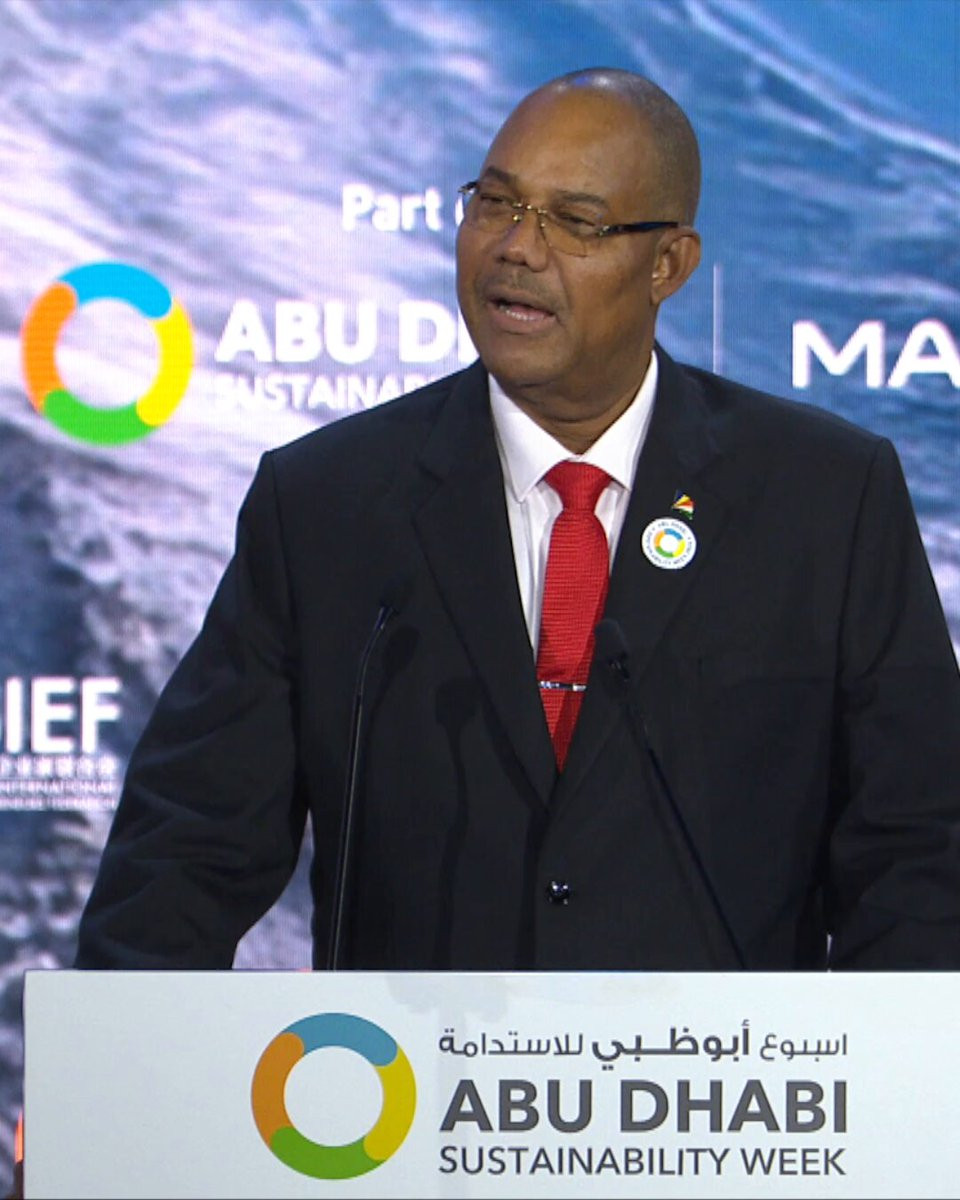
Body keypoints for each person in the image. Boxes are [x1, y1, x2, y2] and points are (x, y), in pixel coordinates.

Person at [75, 68, 960, 972]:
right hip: (407, 1063)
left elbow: (921, 853)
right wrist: (119, 1041)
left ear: (668, 264)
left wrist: (894, 1056)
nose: (516, 248)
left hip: (718, 1063)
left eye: (574, 221)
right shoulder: (325, 506)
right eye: (495, 203)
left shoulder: (825, 499)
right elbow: (183, 853)